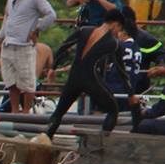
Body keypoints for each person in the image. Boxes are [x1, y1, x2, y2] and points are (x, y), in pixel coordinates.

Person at [45, 9, 131, 137]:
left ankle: (45, 140)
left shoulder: (84, 30)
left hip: (73, 78)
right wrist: (131, 93)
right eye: (119, 29)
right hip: (90, 79)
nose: (118, 32)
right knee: (113, 110)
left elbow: (65, 46)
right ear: (115, 24)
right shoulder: (114, 44)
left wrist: (53, 68)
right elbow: (121, 69)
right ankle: (100, 144)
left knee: (58, 112)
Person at [0, 0, 57, 112]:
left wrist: (36, 29)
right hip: (8, 43)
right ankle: (14, 110)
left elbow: (51, 14)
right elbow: (7, 18)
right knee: (10, 80)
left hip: (24, 45)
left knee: (27, 80)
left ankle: (25, 111)